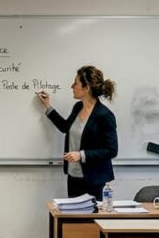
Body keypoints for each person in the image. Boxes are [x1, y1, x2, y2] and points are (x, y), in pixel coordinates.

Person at [36, 65, 118, 200]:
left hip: (94, 179)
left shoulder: (105, 115)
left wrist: (81, 155)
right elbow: (65, 127)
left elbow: (111, 150)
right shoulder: (78, 107)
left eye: (76, 83)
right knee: (73, 218)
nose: (72, 86)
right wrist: (47, 106)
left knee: (90, 219)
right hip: (73, 176)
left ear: (86, 88)